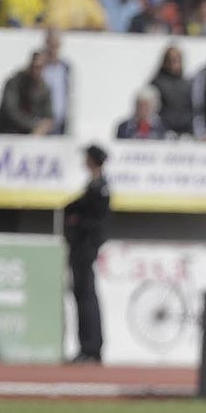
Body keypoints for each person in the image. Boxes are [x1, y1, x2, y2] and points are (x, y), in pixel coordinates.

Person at [65, 145, 112, 365]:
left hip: (85, 249)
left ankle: (90, 347)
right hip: (82, 248)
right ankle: (88, 346)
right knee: (83, 297)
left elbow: (95, 219)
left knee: (86, 298)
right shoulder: (94, 185)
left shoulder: (99, 188)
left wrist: (77, 223)